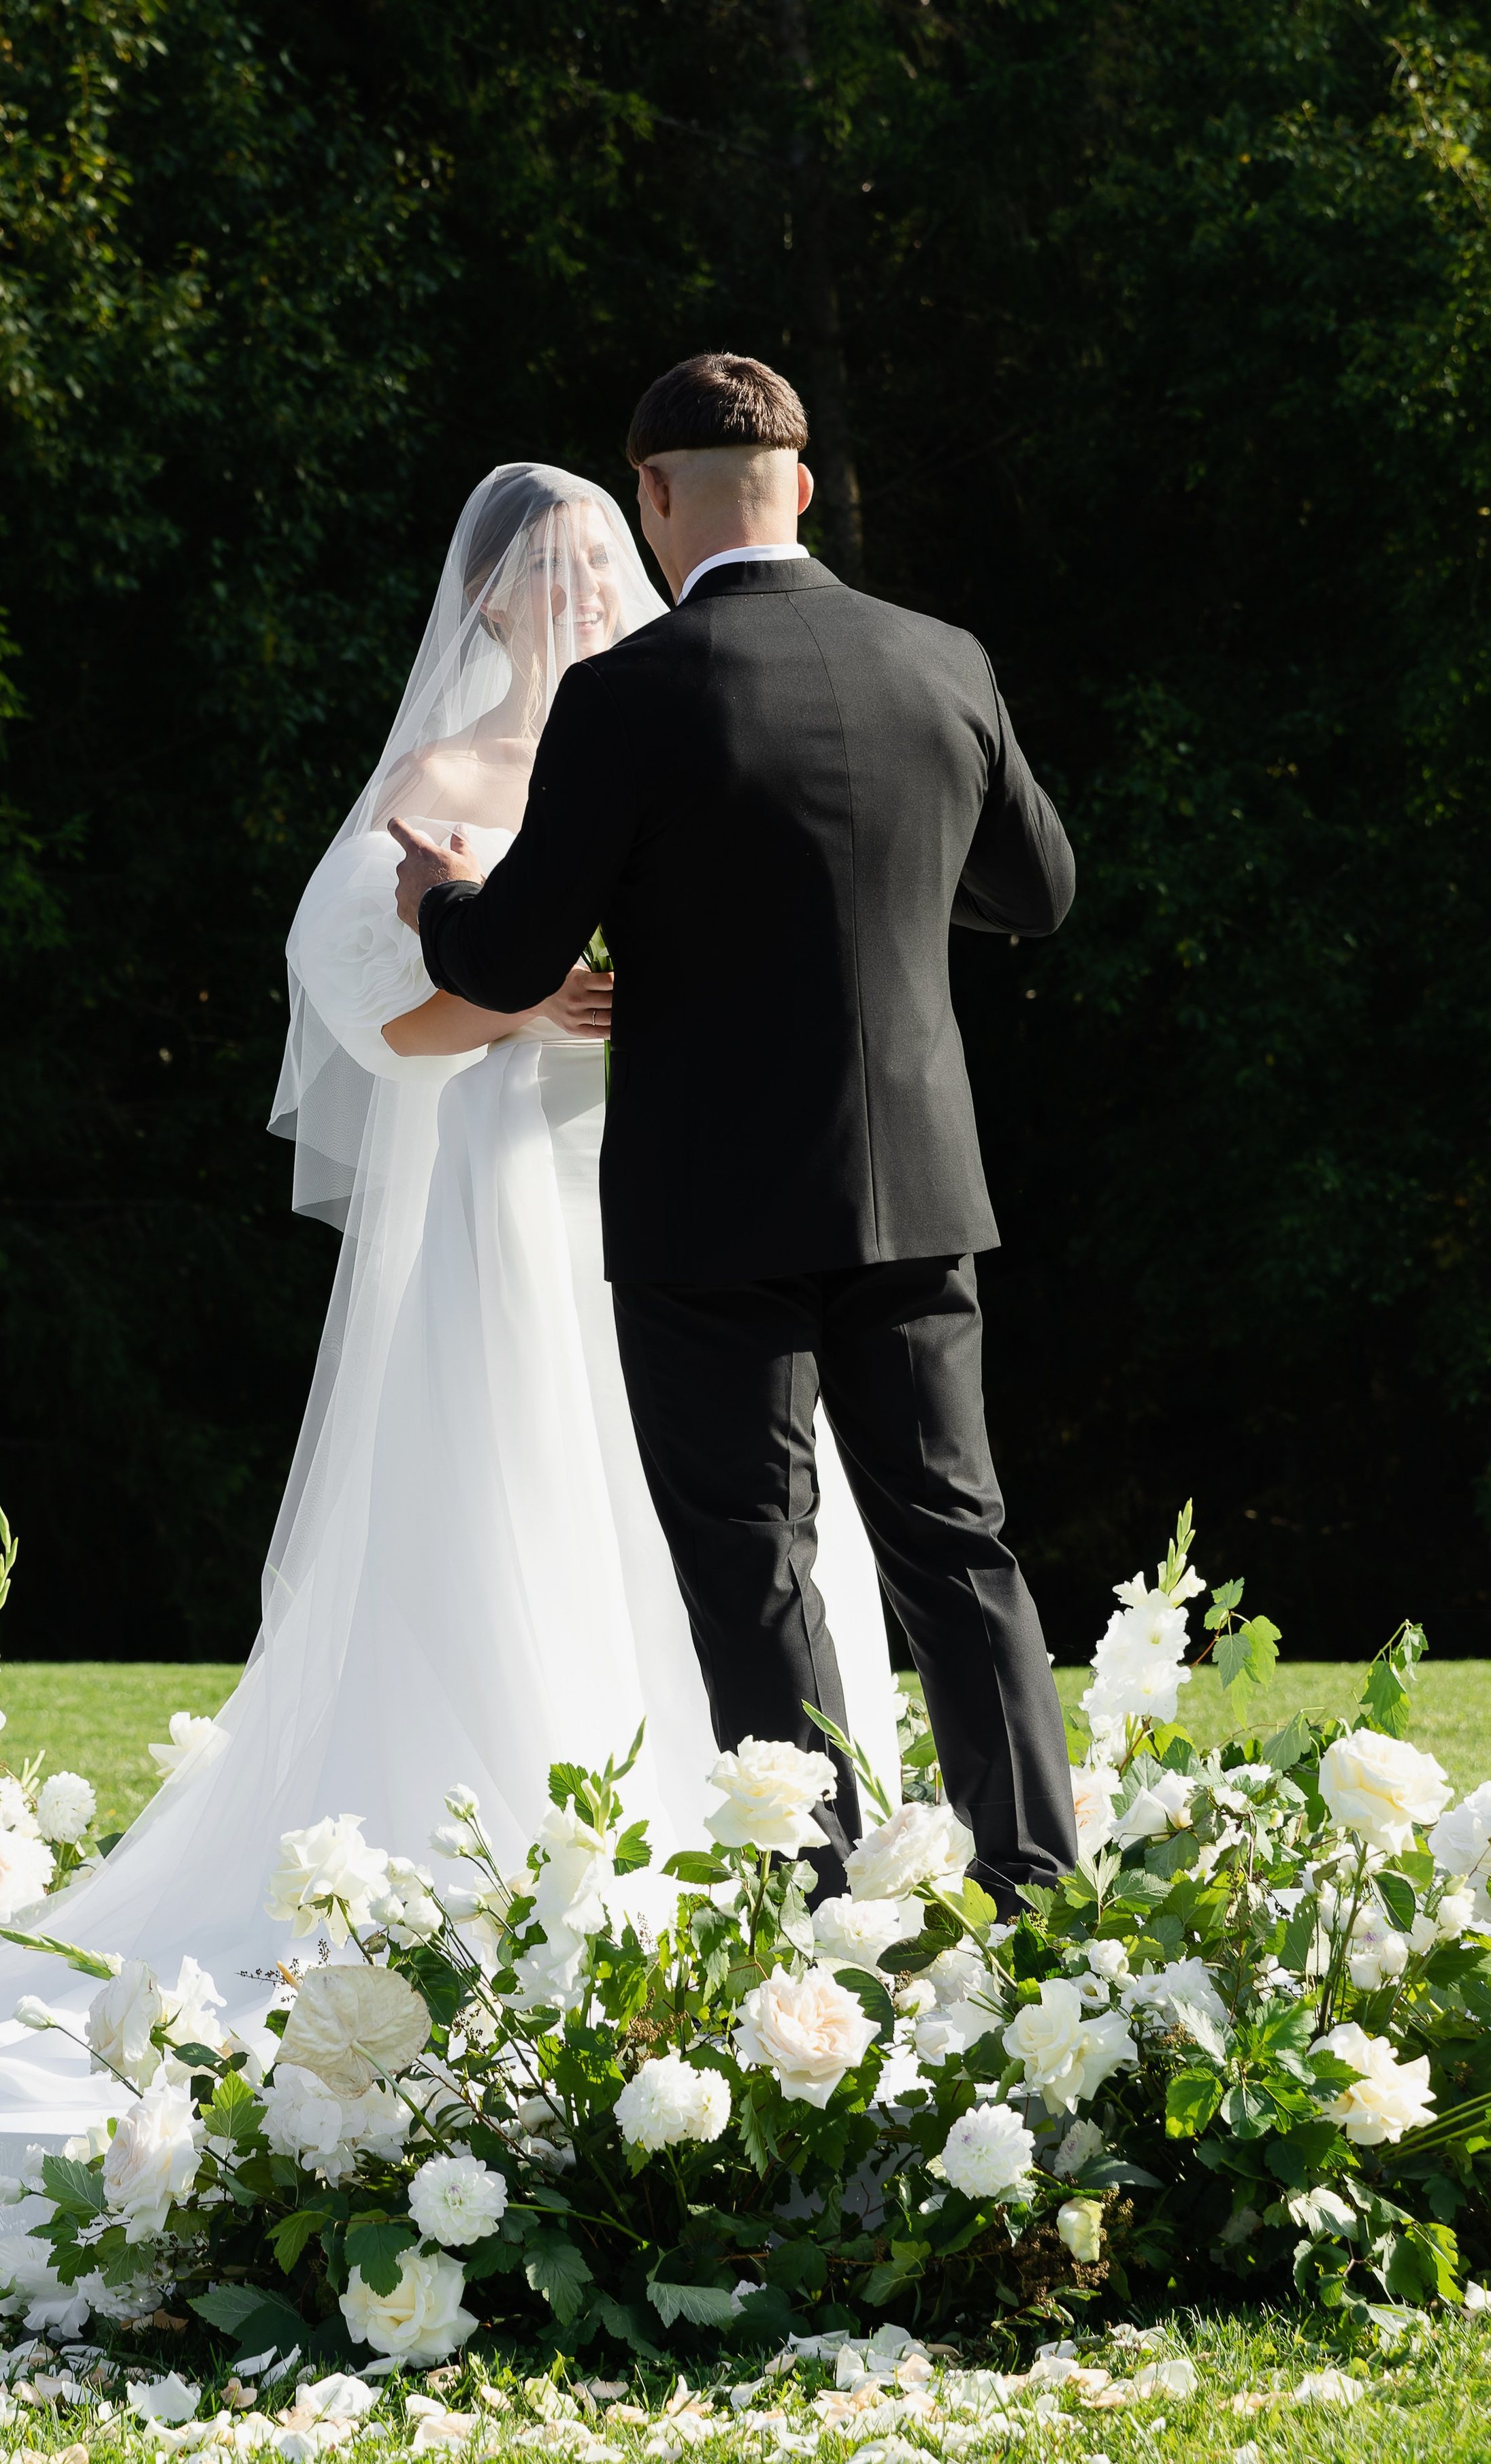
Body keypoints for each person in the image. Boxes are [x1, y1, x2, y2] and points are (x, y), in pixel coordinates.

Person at [0, 462, 900, 2281]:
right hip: (513, 1210)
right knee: (517, 1506)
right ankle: (511, 1856)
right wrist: (523, 1000)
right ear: (499, 604)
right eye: (562, 575)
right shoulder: (437, 790)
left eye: (611, 565)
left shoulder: (667, 749)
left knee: (723, 1524)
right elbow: (369, 1017)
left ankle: (766, 1865)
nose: (594, 595)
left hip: (673, 1202)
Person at [395, 359, 1079, 1906]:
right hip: (913, 1185)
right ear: (804, 485)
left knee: (752, 1565)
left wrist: (430, 898)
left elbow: (507, 963)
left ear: (651, 495)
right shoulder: (941, 659)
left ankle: (825, 1914)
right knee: (956, 1544)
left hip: (707, 1207)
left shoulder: (628, 698)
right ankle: (1043, 1894)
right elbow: (1036, 896)